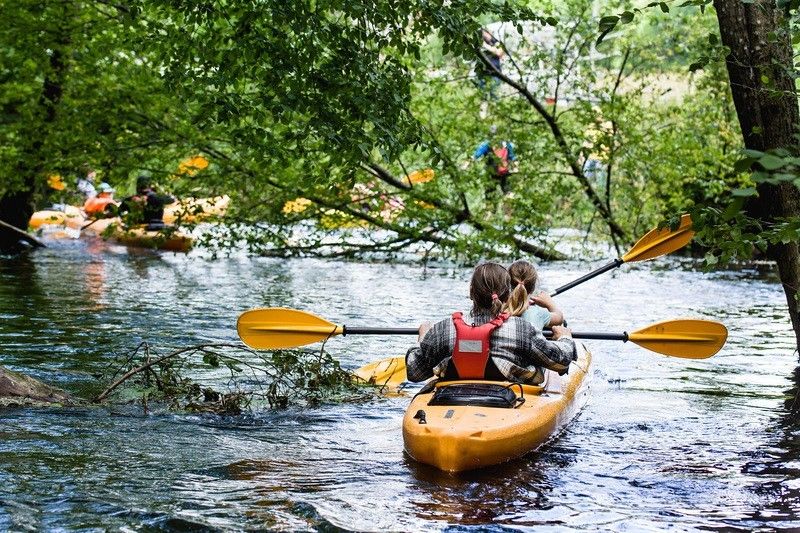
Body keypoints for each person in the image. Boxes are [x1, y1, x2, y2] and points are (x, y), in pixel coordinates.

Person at [405, 262, 576, 385]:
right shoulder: (521, 329)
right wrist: (565, 338)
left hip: (453, 396)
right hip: (509, 400)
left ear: (471, 292)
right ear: (507, 294)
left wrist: (423, 337)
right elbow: (561, 362)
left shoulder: (444, 328)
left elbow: (414, 372)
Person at [506, 260, 564, 330]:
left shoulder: (498, 308)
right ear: (532, 288)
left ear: (506, 285)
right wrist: (550, 303)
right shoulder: (537, 313)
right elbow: (559, 318)